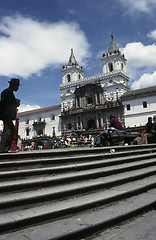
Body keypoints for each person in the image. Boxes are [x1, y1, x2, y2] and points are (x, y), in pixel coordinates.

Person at [0, 78, 20, 153]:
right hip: (6, 115)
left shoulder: (6, 92)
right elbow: (5, 103)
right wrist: (16, 103)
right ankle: (3, 149)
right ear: (14, 85)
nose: (18, 88)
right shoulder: (8, 93)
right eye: (17, 86)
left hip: (5, 115)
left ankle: (4, 148)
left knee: (9, 130)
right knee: (9, 130)